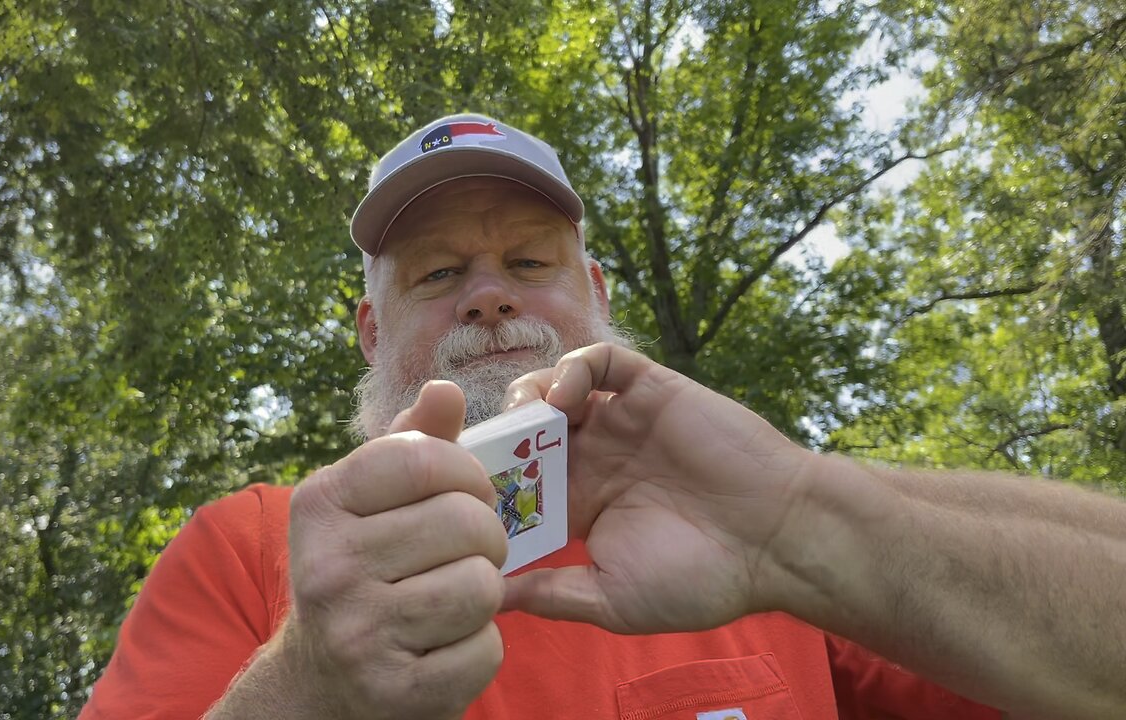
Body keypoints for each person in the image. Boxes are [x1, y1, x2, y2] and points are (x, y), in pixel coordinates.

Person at [79, 114, 1126, 719]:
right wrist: (305, 685)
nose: (486, 296)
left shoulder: (771, 548)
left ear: (598, 298)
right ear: (368, 333)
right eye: (437, 273)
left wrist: (804, 517)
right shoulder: (250, 549)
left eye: (527, 263)